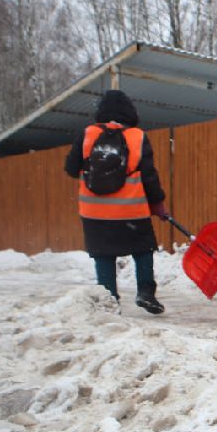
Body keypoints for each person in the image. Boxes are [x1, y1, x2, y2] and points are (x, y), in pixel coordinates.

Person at [64, 90, 170, 314]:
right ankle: (145, 292)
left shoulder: (88, 134)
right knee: (143, 249)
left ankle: (109, 298)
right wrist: (158, 203)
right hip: (130, 210)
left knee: (103, 254)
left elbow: (71, 169)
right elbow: (149, 176)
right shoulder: (137, 136)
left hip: (94, 212)